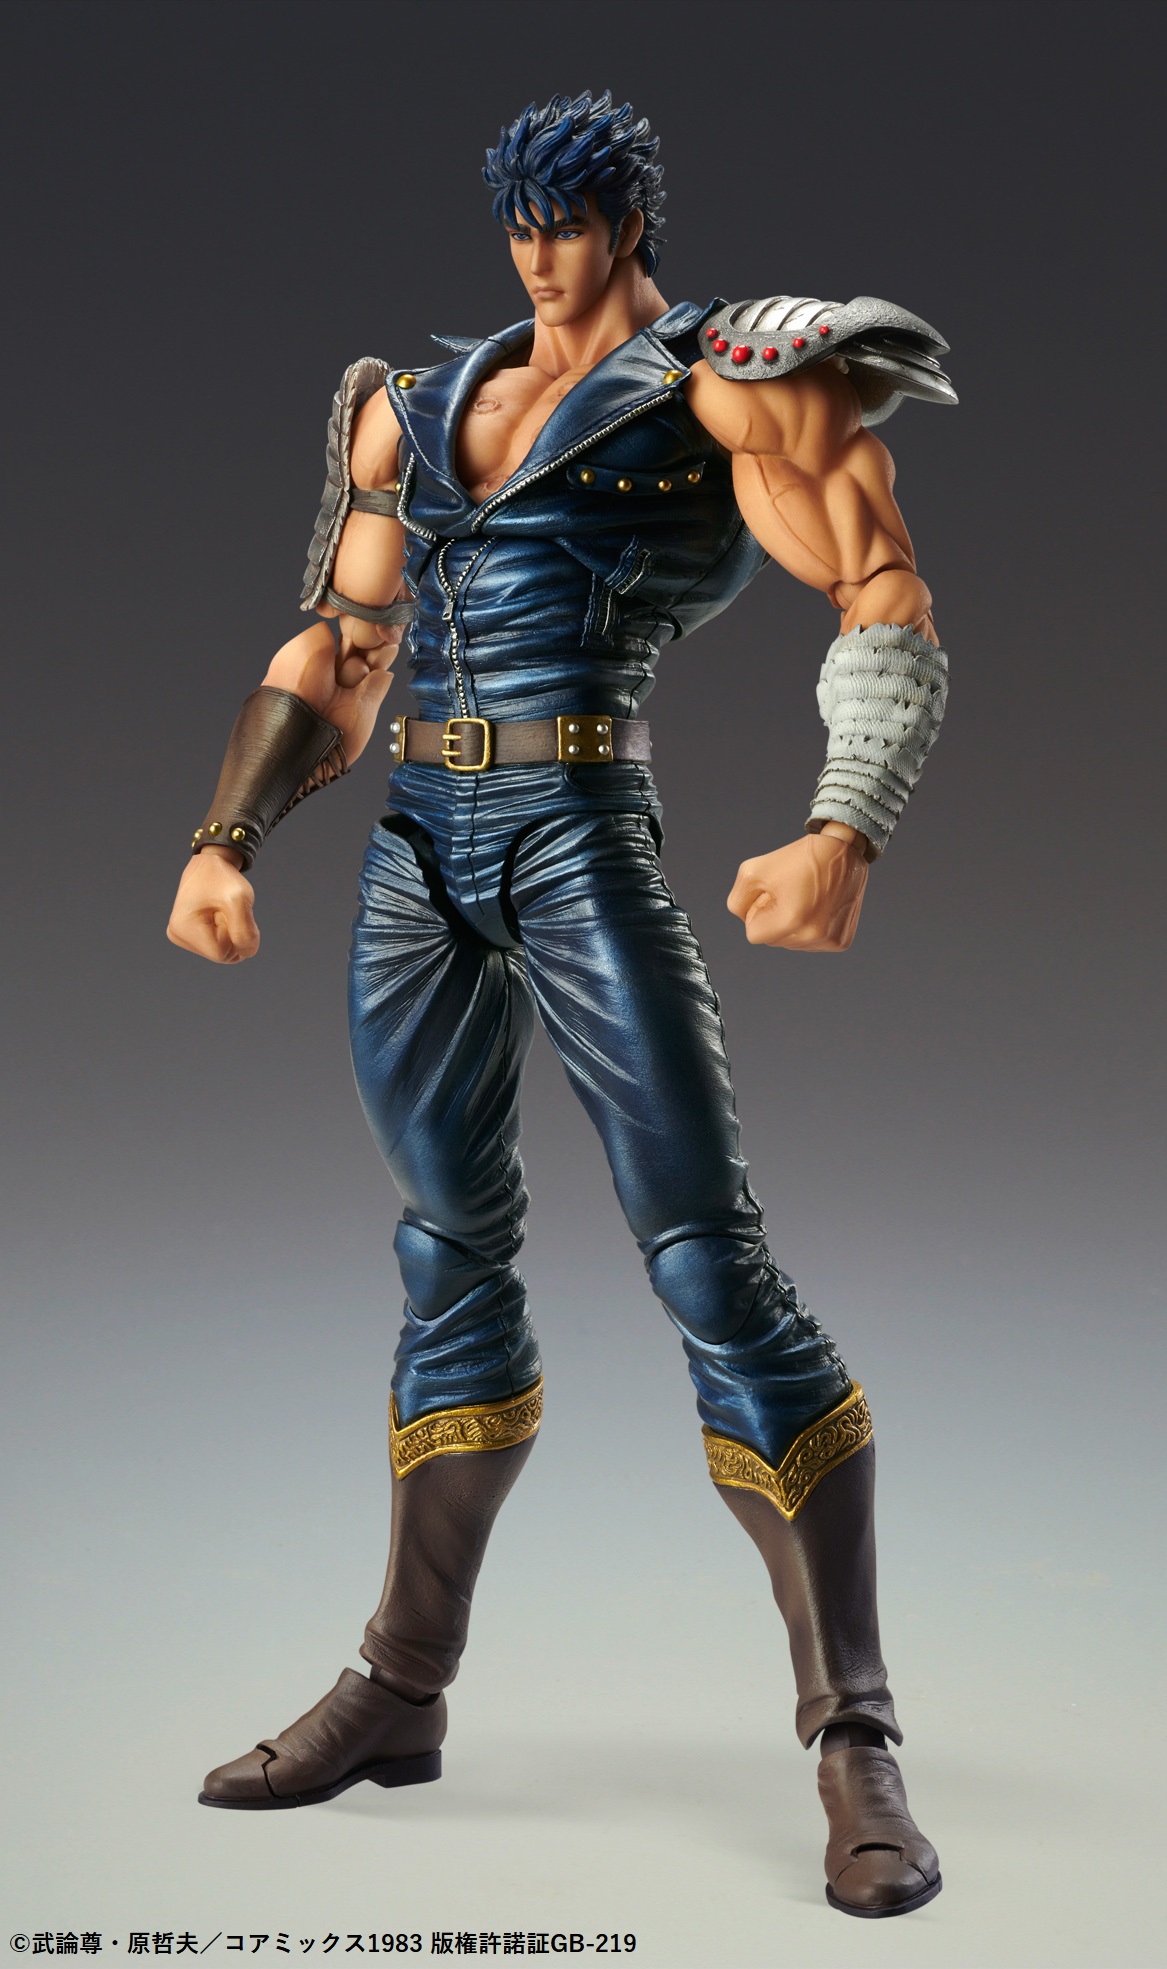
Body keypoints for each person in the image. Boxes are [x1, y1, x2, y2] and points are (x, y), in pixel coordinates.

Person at [167, 90, 954, 1919]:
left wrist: (847, 821)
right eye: (519, 223)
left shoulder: (726, 381)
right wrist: (225, 838)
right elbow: (344, 646)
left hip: (578, 825)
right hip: (416, 849)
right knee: (446, 1250)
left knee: (708, 1258)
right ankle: (402, 1683)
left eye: (571, 221)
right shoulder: (414, 403)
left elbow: (883, 583)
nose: (540, 255)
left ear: (628, 219)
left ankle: (853, 1730)